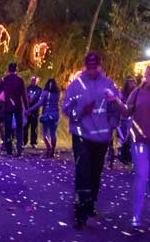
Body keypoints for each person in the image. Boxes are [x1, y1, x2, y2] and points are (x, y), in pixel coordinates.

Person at [63, 52, 120, 229]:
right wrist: (80, 111)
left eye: (95, 66)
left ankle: (90, 203)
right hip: (81, 136)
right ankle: (80, 211)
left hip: (101, 138)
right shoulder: (75, 86)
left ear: (100, 65)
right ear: (85, 65)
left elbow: (115, 107)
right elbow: (66, 109)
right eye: (90, 66)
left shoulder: (108, 85)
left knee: (95, 173)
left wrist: (112, 125)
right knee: (82, 172)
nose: (93, 70)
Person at [112, 65, 150, 228]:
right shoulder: (138, 92)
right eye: (146, 74)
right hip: (139, 141)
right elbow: (126, 111)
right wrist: (116, 100)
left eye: (149, 74)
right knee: (141, 175)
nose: (146, 76)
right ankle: (137, 215)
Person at [0, 62, 30, 157]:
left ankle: (9, 150)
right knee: (19, 128)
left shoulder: (4, 80)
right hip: (18, 107)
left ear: (8, 70)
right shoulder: (20, 80)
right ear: (16, 70)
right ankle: (19, 148)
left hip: (7, 106)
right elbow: (24, 95)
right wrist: (27, 108)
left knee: (8, 129)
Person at [28, 78, 61, 157]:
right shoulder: (57, 93)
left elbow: (39, 103)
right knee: (53, 133)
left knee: (45, 133)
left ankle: (49, 147)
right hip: (55, 114)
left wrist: (30, 109)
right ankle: (52, 150)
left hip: (46, 114)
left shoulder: (45, 93)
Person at [109, 77, 136, 168]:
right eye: (130, 83)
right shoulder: (121, 94)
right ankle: (113, 158)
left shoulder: (135, 94)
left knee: (128, 140)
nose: (132, 85)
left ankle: (126, 158)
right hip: (120, 121)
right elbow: (117, 106)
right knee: (118, 140)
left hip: (130, 121)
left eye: (133, 82)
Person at [24, 77, 43, 149]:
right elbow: (24, 98)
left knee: (34, 127)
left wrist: (34, 103)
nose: (33, 81)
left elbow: (40, 100)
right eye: (32, 80)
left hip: (35, 110)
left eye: (35, 80)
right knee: (25, 126)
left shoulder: (39, 90)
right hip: (27, 110)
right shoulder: (27, 88)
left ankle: (33, 142)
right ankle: (24, 141)